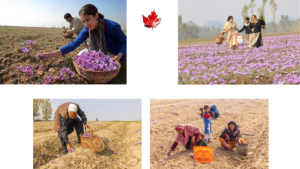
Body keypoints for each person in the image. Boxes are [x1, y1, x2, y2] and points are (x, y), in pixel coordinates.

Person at [40, 4, 127, 63]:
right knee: (80, 56)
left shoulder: (112, 26)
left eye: (88, 19)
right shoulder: (87, 28)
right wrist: (52, 54)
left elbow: (125, 42)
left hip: (114, 52)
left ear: (96, 15)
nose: (86, 24)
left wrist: (119, 55)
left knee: (106, 62)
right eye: (83, 21)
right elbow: (74, 44)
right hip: (99, 51)